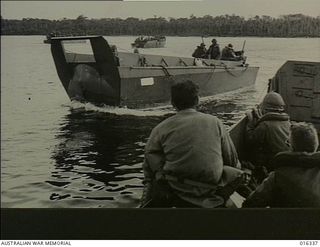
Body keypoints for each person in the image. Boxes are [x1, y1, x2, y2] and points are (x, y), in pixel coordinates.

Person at [141, 80, 243, 208]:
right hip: (210, 189)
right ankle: (218, 203)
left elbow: (149, 161)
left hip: (176, 190)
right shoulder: (214, 122)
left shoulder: (160, 128)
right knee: (237, 172)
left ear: (173, 103)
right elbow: (232, 160)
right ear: (197, 100)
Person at [243, 122, 320, 208]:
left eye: (288, 143)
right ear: (316, 146)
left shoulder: (278, 176)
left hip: (286, 221)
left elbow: (250, 204)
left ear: (291, 148)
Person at [245, 91, 291, 182]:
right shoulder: (287, 123)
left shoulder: (265, 125)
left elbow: (250, 141)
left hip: (271, 167)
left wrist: (250, 124)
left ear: (265, 109)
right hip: (284, 165)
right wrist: (260, 120)